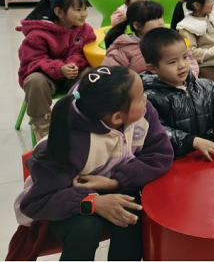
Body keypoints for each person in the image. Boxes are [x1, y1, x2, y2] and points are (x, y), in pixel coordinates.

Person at [9, 66, 173, 261]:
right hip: (58, 205)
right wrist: (92, 202)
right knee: (86, 228)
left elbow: (161, 153)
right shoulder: (67, 141)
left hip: (106, 188)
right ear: (117, 117)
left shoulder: (143, 113)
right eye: (140, 97)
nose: (145, 99)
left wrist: (116, 182)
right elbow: (37, 202)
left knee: (131, 212)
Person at [141, 28, 214, 161]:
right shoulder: (148, 98)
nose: (182, 65)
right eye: (172, 62)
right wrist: (192, 141)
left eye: (185, 57)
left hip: (212, 156)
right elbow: (155, 131)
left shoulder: (206, 86)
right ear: (153, 68)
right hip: (177, 162)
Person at [17, 0, 96, 141]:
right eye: (78, 10)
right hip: (45, 77)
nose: (84, 14)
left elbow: (83, 53)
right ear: (59, 12)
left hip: (71, 75)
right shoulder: (37, 33)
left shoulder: (85, 30)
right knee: (35, 81)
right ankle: (43, 127)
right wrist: (59, 68)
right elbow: (32, 61)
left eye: (85, 9)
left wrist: (72, 64)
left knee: (92, 75)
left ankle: (83, 118)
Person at [103, 1, 199, 77]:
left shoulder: (170, 40)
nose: (161, 22)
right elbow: (110, 74)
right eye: (154, 19)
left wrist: (190, 77)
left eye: (160, 17)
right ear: (137, 25)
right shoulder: (124, 48)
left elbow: (190, 60)